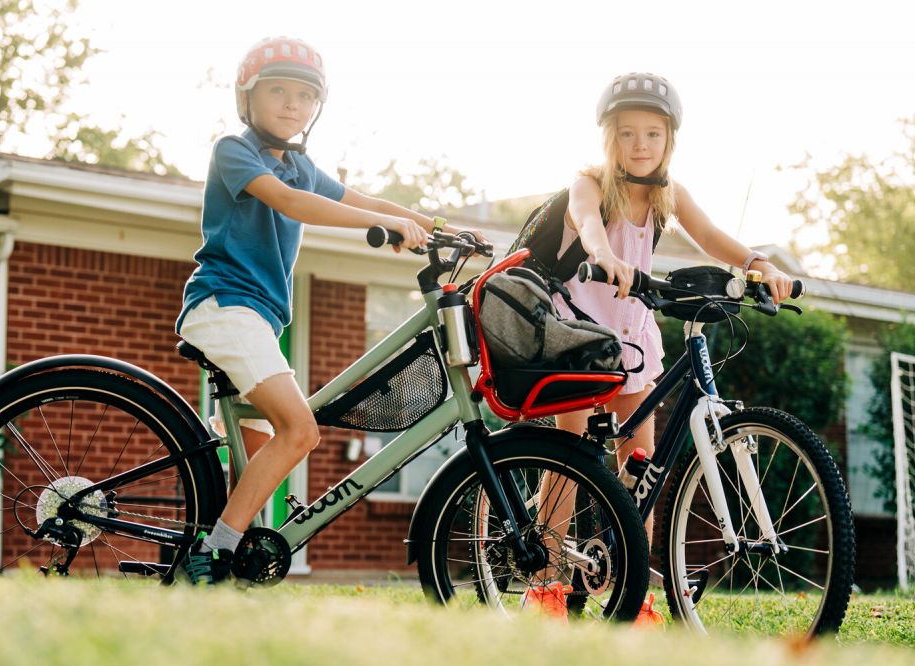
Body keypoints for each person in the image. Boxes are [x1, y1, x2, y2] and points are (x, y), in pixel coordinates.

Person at [175, 36, 481, 584]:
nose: (292, 105)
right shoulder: (234, 150)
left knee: (265, 444)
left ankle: (222, 516)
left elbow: (364, 200)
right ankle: (215, 554)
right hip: (225, 305)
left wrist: (436, 227)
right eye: (278, 92)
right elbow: (293, 204)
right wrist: (381, 230)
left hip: (258, 317)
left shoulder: (301, 163)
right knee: (301, 431)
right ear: (247, 98)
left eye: (304, 96)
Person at [527, 72, 793, 622]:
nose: (641, 145)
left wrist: (757, 263)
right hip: (576, 333)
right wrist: (603, 254)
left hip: (633, 337)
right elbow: (586, 224)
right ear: (610, 138)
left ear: (669, 139)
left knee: (640, 471)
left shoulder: (668, 192)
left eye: (652, 133)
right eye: (628, 133)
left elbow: (712, 235)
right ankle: (545, 585)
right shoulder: (591, 184)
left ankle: (633, 593)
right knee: (569, 461)